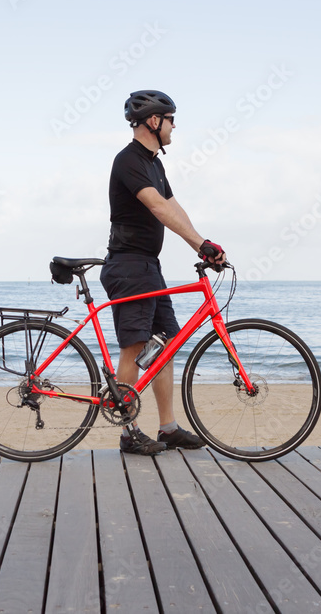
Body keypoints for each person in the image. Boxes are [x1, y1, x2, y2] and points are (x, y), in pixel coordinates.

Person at [100, 90, 226, 456]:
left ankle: (168, 428)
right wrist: (199, 243)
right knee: (135, 346)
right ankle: (128, 431)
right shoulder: (128, 161)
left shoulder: (155, 163)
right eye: (171, 120)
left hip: (147, 266)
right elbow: (155, 206)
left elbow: (172, 205)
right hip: (127, 265)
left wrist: (203, 244)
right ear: (154, 121)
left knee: (165, 345)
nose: (174, 127)